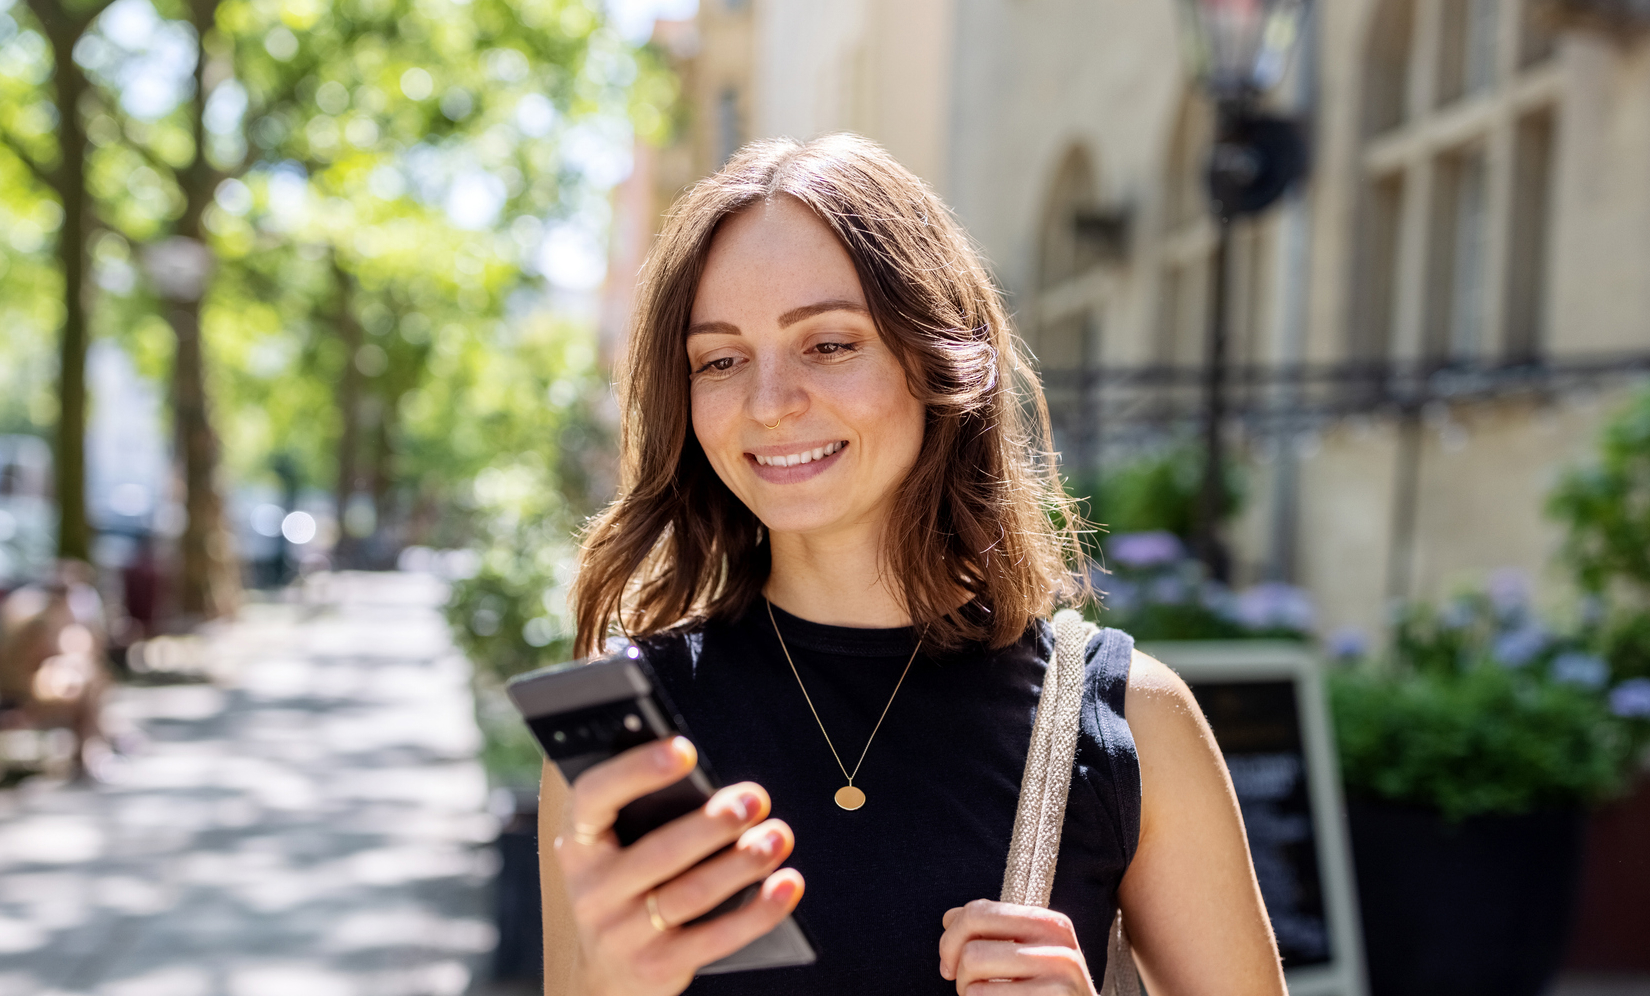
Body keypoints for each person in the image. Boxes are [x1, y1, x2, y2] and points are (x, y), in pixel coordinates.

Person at [539, 134, 1283, 996]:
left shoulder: (1130, 721)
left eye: (828, 344)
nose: (770, 404)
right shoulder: (627, 738)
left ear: (936, 356)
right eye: (720, 359)